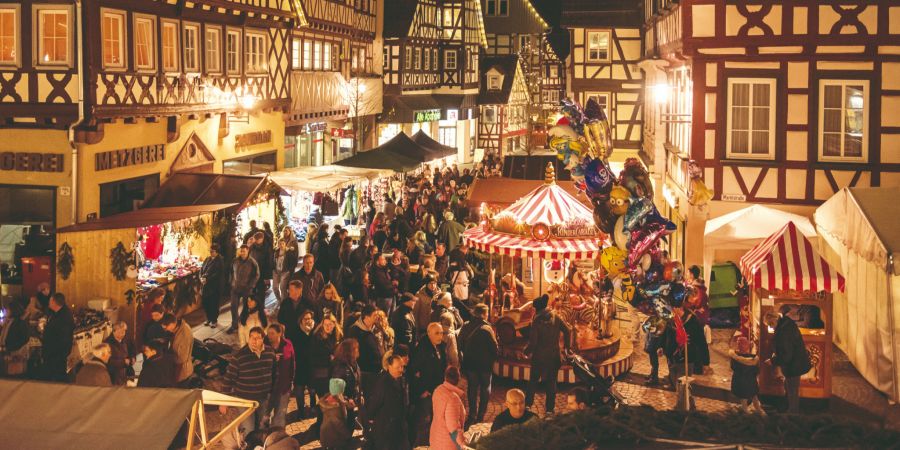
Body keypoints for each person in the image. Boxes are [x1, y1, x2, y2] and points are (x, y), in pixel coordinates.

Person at [220, 327, 277, 436]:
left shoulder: (270, 353)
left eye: (258, 338)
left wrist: (273, 393)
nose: (254, 341)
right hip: (245, 399)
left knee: (263, 426)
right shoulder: (239, 357)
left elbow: (274, 374)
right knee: (249, 429)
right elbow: (228, 379)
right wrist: (223, 402)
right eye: (252, 337)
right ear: (248, 339)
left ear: (263, 339)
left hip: (263, 398)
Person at [525, 294, 571, 415]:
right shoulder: (556, 316)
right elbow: (567, 330)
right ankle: (550, 410)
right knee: (551, 383)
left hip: (539, 357)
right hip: (553, 356)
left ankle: (528, 405)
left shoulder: (536, 320)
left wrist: (526, 352)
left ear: (537, 308)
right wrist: (567, 348)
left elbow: (533, 342)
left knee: (533, 381)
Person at [764, 308, 811, 414]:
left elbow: (786, 355)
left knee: (792, 391)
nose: (771, 327)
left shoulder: (784, 331)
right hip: (794, 363)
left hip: (794, 365)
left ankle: (793, 412)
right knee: (789, 387)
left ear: (774, 321)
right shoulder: (785, 323)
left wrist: (773, 361)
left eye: (771, 325)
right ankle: (789, 408)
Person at [459, 304, 498, 427]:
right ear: (484, 314)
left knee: (472, 388)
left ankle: (472, 415)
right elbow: (494, 348)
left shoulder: (466, 326)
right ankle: (481, 415)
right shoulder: (487, 328)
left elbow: (459, 344)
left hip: (470, 364)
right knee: (485, 388)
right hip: (485, 365)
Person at [409, 322, 448, 446]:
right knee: (423, 422)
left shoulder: (441, 347)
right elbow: (413, 372)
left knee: (434, 419)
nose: (440, 336)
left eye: (441, 333)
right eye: (437, 333)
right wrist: (422, 391)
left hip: (437, 389)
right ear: (429, 333)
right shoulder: (422, 349)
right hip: (427, 392)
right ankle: (420, 446)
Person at [369, 353, 411, 450]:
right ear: (389, 367)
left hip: (401, 425)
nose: (401, 370)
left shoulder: (403, 380)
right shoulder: (382, 383)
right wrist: (371, 418)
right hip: (386, 428)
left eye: (402, 366)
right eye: (398, 367)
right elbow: (375, 403)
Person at [346, 304, 383, 397]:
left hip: (378, 371)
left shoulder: (375, 328)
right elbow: (351, 353)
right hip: (366, 372)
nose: (377, 317)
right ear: (366, 317)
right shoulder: (355, 331)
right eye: (374, 315)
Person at [430, 366, 467, 450]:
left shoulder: (437, 390)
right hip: (447, 443)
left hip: (435, 435)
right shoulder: (453, 399)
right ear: (459, 379)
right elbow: (453, 427)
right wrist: (462, 444)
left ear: (445, 377)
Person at [266, 324, 296, 428]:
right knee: (265, 415)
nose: (269, 335)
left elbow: (292, 363)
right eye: (268, 333)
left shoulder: (287, 344)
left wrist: (291, 381)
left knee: (280, 414)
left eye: (272, 333)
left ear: (280, 333)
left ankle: (276, 436)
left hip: (284, 386)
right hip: (268, 388)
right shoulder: (264, 346)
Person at [42, 292, 75, 382]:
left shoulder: (64, 316)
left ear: (54, 302)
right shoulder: (56, 313)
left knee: (58, 376)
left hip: (57, 353)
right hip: (54, 352)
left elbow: (63, 337)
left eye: (50, 300)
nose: (48, 302)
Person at [310, 313, 342, 402]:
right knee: (324, 398)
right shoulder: (317, 337)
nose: (327, 327)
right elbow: (313, 356)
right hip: (322, 372)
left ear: (334, 324)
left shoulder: (338, 336)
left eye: (330, 324)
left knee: (335, 398)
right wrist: (328, 357)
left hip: (335, 371)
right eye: (325, 324)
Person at [730, 336, 765, 415]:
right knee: (750, 396)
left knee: (748, 396)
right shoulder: (752, 358)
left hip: (743, 380)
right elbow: (756, 370)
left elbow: (733, 367)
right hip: (747, 380)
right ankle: (753, 409)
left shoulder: (736, 357)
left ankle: (750, 409)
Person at [230, 244, 260, 334]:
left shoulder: (252, 262)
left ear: (248, 251)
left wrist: (251, 286)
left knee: (245, 308)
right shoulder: (235, 261)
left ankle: (244, 323)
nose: (242, 253)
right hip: (235, 288)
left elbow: (257, 275)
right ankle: (234, 325)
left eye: (244, 251)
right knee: (233, 307)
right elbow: (231, 271)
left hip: (246, 289)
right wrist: (231, 282)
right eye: (241, 251)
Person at [293, 310, 317, 419]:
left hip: (312, 365)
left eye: (309, 318)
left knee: (312, 389)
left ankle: (312, 407)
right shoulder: (296, 332)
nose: (308, 321)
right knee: (299, 390)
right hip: (299, 365)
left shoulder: (315, 331)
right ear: (301, 320)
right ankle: (301, 411)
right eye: (305, 319)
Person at [330, 339, 362, 418]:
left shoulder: (353, 362)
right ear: (349, 351)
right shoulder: (340, 367)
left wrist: (360, 395)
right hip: (344, 406)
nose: (358, 350)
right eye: (355, 348)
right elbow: (336, 391)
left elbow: (357, 381)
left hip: (352, 402)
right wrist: (346, 401)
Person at [319, 378, 354, 450]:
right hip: (334, 437)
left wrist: (347, 403)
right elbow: (338, 424)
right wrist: (347, 435)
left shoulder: (332, 397)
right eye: (342, 389)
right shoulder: (333, 409)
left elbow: (342, 402)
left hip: (329, 436)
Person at [163, 314, 194, 386]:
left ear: (173, 324)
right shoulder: (177, 328)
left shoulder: (184, 334)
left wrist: (165, 358)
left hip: (182, 373)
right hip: (178, 370)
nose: (166, 329)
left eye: (166, 327)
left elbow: (181, 358)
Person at [1, 302, 30, 375]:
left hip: (15, 352)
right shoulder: (7, 322)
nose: (6, 311)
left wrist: (12, 348)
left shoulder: (20, 323)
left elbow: (24, 338)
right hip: (5, 350)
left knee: (13, 373)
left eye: (7, 309)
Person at [200, 243, 225, 328]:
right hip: (205, 285)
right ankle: (208, 318)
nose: (211, 252)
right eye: (210, 251)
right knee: (205, 302)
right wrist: (201, 277)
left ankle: (214, 320)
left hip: (214, 287)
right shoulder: (207, 259)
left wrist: (207, 279)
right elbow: (202, 269)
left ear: (217, 252)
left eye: (212, 251)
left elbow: (217, 274)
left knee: (213, 304)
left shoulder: (220, 261)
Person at [104, 321, 135, 385]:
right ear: (114, 331)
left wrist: (133, 358)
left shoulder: (126, 340)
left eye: (124, 331)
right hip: (114, 375)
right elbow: (107, 361)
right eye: (121, 332)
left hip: (126, 373)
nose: (123, 334)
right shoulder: (107, 343)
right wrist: (123, 362)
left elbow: (132, 351)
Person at [273, 235, 299, 303]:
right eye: (280, 244)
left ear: (285, 244)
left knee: (282, 287)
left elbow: (292, 262)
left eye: (283, 244)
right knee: (275, 288)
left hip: (285, 272)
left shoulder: (289, 252)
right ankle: (279, 300)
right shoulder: (276, 251)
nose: (281, 245)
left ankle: (283, 301)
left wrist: (290, 271)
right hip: (276, 272)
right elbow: (273, 261)